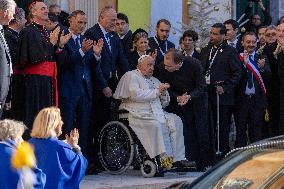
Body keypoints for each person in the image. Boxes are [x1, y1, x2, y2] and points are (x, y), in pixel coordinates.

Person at [113, 55, 194, 169]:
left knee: (176, 120)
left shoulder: (154, 80)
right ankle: (163, 160)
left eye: (153, 65)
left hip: (156, 112)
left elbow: (163, 103)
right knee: (156, 125)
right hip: (137, 112)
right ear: (139, 66)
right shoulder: (131, 76)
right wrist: (157, 91)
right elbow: (135, 95)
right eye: (148, 65)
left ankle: (178, 159)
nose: (152, 68)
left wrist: (164, 94)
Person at [84, 6, 129, 172]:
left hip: (111, 83)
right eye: (112, 20)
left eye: (116, 20)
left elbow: (121, 60)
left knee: (104, 122)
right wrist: (103, 86)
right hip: (96, 86)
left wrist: (132, 77)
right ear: (102, 18)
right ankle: (91, 160)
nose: (114, 23)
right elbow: (93, 65)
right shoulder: (92, 33)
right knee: (93, 124)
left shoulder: (113, 36)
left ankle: (101, 158)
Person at [16, 1, 71, 131]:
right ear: (33, 12)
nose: (46, 11)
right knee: (36, 119)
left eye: (46, 8)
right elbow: (34, 58)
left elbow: (54, 60)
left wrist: (60, 46)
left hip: (47, 82)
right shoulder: (28, 31)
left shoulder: (45, 32)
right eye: (42, 9)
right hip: (34, 84)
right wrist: (51, 44)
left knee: (47, 120)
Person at [156, 49, 213, 171]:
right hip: (177, 102)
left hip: (197, 102)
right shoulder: (162, 67)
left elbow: (201, 86)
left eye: (169, 66)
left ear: (178, 63)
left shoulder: (194, 64)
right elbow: (164, 86)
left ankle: (202, 163)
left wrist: (189, 96)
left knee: (201, 132)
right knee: (185, 132)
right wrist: (177, 97)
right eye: (165, 64)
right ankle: (185, 162)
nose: (166, 68)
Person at [58, 10, 104, 155]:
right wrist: (82, 51)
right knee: (67, 126)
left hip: (85, 90)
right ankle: (66, 160)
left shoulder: (86, 39)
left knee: (84, 127)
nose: (83, 26)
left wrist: (96, 55)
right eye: (79, 22)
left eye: (85, 23)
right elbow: (64, 63)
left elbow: (91, 67)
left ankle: (82, 161)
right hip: (69, 89)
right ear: (70, 21)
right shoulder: (64, 38)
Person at [199, 23, 242, 157]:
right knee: (208, 126)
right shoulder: (206, 50)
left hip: (222, 97)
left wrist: (225, 87)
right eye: (211, 33)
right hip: (207, 94)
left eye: (215, 34)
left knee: (222, 127)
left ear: (223, 36)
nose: (211, 36)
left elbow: (237, 73)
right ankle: (209, 154)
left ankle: (222, 153)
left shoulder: (230, 51)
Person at [29, 107, 87, 189]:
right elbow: (80, 165)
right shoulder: (61, 148)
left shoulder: (28, 144)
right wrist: (75, 147)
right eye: (60, 120)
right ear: (54, 124)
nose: (62, 123)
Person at [235, 32, 271, 147]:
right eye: (248, 42)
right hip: (241, 100)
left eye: (253, 42)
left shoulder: (262, 57)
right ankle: (239, 158)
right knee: (240, 131)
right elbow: (235, 79)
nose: (251, 44)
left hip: (257, 101)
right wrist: (244, 66)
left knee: (256, 132)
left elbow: (269, 77)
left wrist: (261, 69)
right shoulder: (237, 57)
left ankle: (255, 158)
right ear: (242, 43)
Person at [0, 119, 46, 189]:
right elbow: (34, 183)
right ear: (14, 136)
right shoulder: (18, 155)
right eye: (20, 136)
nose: (22, 139)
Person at [3, 7, 26, 120]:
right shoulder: (7, 36)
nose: (26, 21)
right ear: (18, 19)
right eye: (24, 18)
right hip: (11, 83)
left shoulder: (17, 35)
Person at [0, 0, 16, 118]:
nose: (13, 16)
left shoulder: (2, 31)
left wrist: (7, 95)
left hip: (3, 94)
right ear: (5, 12)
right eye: (12, 12)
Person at [274, 23, 284, 135]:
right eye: (279, 31)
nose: (281, 34)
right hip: (277, 92)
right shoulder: (271, 48)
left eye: (283, 31)